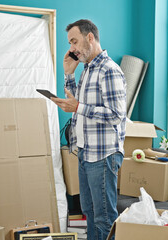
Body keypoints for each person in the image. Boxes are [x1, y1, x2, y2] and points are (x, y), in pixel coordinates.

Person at [51, 19, 126, 240]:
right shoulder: (87, 69)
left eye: (74, 41)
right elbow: (77, 104)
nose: (72, 48)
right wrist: (68, 73)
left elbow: (115, 115)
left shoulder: (109, 70)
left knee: (104, 217)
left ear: (90, 38)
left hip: (103, 155)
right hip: (86, 152)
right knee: (89, 213)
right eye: (70, 43)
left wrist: (78, 107)